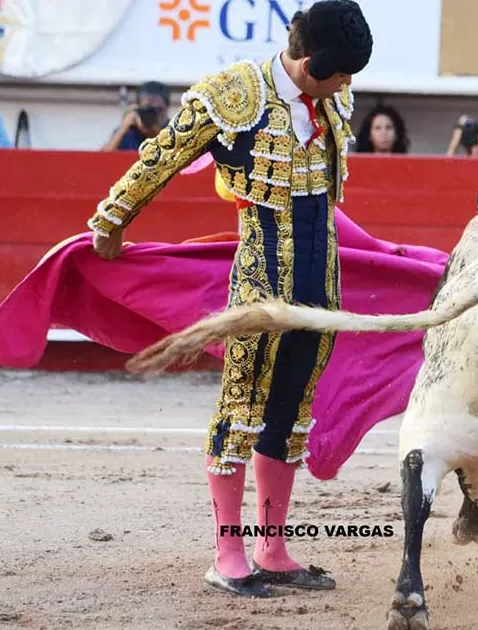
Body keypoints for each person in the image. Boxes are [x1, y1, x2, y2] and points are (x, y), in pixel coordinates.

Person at [86, 0, 373, 598]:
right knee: (240, 410)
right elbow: (162, 157)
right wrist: (112, 220)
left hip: (322, 288)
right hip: (260, 285)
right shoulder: (232, 95)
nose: (349, 85)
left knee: (291, 413)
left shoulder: (335, 99)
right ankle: (227, 552)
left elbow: (330, 203)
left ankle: (271, 547)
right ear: (312, 60)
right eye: (342, 71)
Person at [100, 81, 171, 152]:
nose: (151, 116)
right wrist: (123, 127)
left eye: (157, 110)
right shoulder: (129, 131)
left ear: (166, 107)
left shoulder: (173, 129)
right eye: (147, 111)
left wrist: (156, 134)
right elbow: (102, 158)